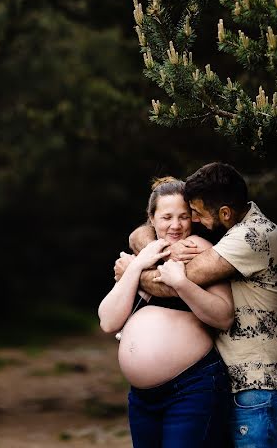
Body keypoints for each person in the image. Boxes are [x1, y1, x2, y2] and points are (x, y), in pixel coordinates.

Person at [121, 163, 277, 447]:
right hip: (228, 381)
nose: (194, 222)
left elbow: (176, 281)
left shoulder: (253, 236)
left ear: (224, 212)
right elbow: (144, 230)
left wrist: (133, 272)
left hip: (255, 384)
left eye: (197, 214)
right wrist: (151, 245)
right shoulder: (229, 227)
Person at [98, 177, 235, 447]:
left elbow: (224, 316)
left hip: (191, 388)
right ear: (152, 218)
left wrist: (181, 284)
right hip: (142, 398)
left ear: (194, 218)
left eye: (184, 216)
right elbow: (108, 321)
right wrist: (138, 267)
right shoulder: (143, 256)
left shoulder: (198, 250)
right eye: (167, 217)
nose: (176, 225)